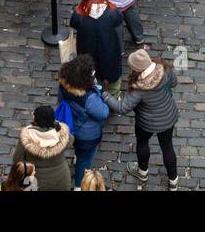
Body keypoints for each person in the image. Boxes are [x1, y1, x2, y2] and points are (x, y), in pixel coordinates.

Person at [101, 48, 180, 190]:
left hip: (146, 123)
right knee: (167, 147)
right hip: (168, 117)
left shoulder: (139, 90)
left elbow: (122, 108)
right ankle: (173, 181)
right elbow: (174, 83)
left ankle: (143, 173)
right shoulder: (165, 70)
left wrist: (106, 95)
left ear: (138, 70)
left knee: (143, 144)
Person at [56, 54, 110, 188]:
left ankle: (77, 155)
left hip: (71, 127)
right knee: (85, 161)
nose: (94, 76)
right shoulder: (89, 98)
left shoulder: (64, 84)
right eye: (92, 74)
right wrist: (102, 93)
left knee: (79, 151)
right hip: (87, 136)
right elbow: (103, 112)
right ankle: (79, 186)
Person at [70, 0, 124, 95]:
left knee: (89, 75)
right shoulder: (112, 12)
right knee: (112, 80)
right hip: (109, 51)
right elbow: (118, 21)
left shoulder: (79, 13)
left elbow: (73, 24)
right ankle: (113, 97)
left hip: (86, 52)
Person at [10, 104, 71, 191]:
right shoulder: (62, 135)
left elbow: (17, 160)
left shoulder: (26, 138)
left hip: (36, 183)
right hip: (61, 181)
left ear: (36, 120)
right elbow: (71, 140)